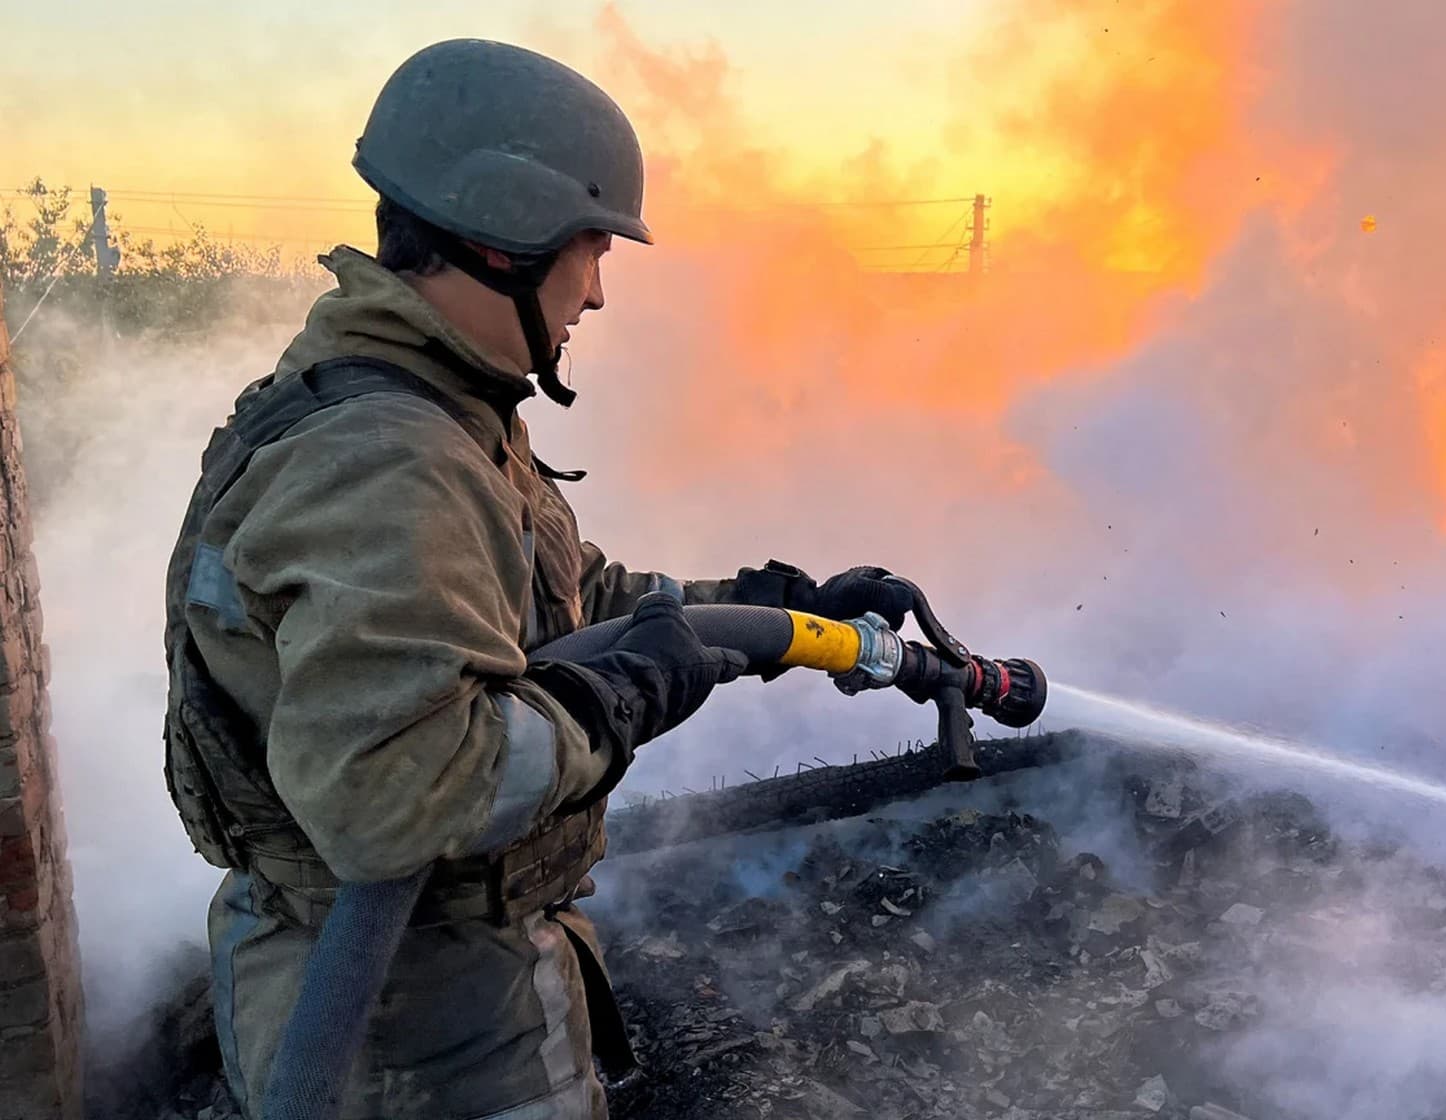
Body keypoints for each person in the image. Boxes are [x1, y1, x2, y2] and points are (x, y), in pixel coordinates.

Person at [160, 38, 912, 1120]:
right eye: (592, 250)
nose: (598, 295)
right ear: (502, 235)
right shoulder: (388, 461)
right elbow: (394, 796)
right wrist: (617, 700)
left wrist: (769, 611)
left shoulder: (432, 409)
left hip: (446, 981)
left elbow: (566, 606)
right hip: (407, 1033)